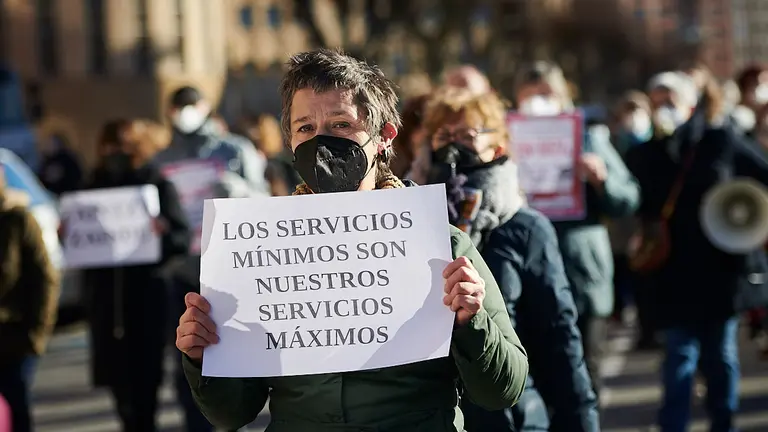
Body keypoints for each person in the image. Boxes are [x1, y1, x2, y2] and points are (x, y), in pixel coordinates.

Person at [176, 48, 529, 432]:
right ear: (290, 141)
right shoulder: (260, 253)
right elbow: (230, 414)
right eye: (305, 128)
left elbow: (503, 390)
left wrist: (471, 322)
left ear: (384, 137)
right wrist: (202, 356)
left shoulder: (441, 245)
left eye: (341, 124)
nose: (321, 142)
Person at [424, 86, 599, 431]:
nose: (453, 147)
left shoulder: (526, 228)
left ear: (499, 146)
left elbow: (558, 335)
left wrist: (580, 420)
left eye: (467, 135)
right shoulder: (413, 224)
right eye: (443, 136)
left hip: (511, 416)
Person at [626, 67, 768, 432]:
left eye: (671, 100)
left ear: (692, 104)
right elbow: (629, 202)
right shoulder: (645, 154)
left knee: (720, 355)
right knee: (679, 355)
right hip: (671, 270)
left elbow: (762, 172)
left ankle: (724, 422)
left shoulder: (720, 141)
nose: (664, 108)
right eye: (657, 102)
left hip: (721, 267)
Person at [513, 61, 641, 404]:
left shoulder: (587, 136)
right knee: (539, 379)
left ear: (562, 96)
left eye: (546, 95)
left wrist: (602, 180)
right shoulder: (507, 139)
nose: (538, 103)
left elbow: (628, 197)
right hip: (528, 276)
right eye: (530, 96)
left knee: (584, 375)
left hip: (582, 273)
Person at [152, 86, 270, 432]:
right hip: (183, 272)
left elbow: (264, 202)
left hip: (230, 272)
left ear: (205, 107)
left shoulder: (234, 149)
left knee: (234, 358)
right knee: (189, 358)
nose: (185, 113)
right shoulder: (161, 160)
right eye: (179, 107)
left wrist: (240, 190)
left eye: (191, 105)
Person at [81, 119, 190, 432]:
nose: (114, 153)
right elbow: (82, 241)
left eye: (122, 146)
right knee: (118, 384)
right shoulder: (91, 186)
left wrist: (162, 234)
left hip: (145, 299)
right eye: (109, 146)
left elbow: (180, 238)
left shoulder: (156, 184)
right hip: (106, 303)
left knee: (145, 383)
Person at [0, 165, 59, 432]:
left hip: (12, 339)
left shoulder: (19, 221)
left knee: (15, 412)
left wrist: (37, 333)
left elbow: (45, 279)